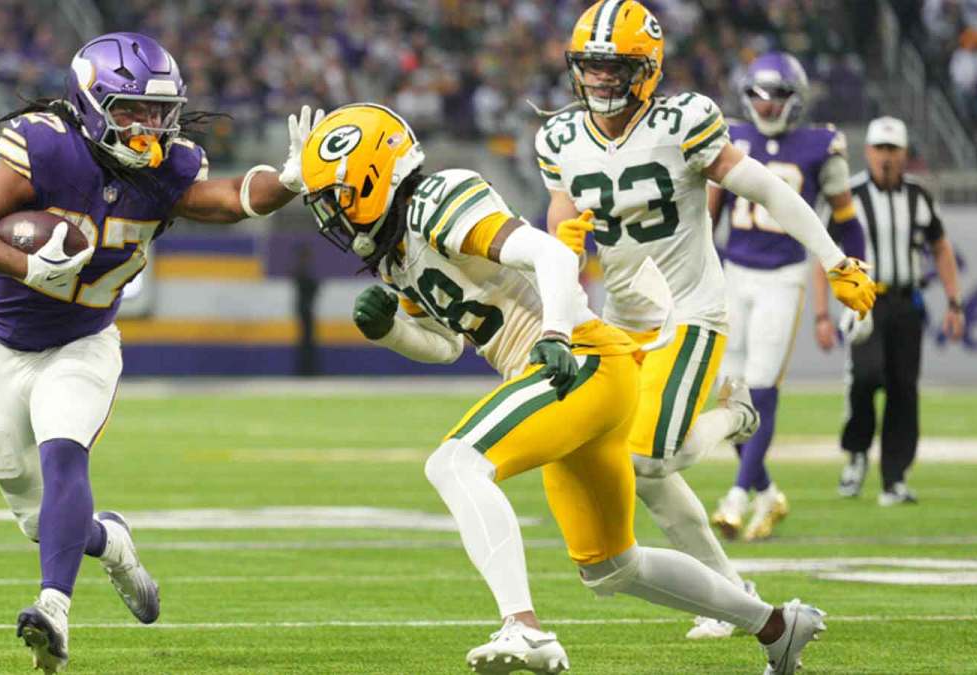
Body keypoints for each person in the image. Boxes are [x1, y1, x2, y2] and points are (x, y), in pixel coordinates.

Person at [302, 101, 829, 675]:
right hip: (574, 375)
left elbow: (551, 253)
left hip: (574, 357)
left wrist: (554, 331)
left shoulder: (439, 199)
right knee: (612, 566)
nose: (331, 217)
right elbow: (449, 346)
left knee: (454, 464)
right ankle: (777, 626)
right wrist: (393, 332)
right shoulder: (397, 250)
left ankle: (522, 628)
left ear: (374, 179)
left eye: (335, 198)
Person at [0, 32, 323, 674]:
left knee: (64, 454)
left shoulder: (167, 168)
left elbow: (225, 199)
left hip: (85, 341)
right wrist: (26, 265)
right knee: (32, 509)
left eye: (157, 111)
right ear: (91, 102)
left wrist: (287, 182)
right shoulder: (47, 149)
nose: (148, 126)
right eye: (131, 110)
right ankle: (112, 545)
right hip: (3, 342)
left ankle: (52, 610)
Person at [537, 0, 876, 642]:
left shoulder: (685, 121)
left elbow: (772, 191)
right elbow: (560, 216)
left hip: (689, 311)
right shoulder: (559, 136)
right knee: (647, 481)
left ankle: (735, 414)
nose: (600, 81)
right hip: (621, 319)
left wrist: (833, 258)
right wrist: (566, 246)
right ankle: (730, 595)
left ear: (647, 69)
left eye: (615, 68)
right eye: (591, 67)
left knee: (648, 462)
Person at [707, 51, 868, 544]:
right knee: (727, 392)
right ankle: (768, 491)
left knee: (760, 386)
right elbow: (708, 214)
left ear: (795, 99)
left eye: (776, 95)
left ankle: (736, 494)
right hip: (735, 271)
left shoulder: (821, 144)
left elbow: (846, 219)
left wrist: (857, 281)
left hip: (784, 275)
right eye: (758, 94)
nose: (766, 104)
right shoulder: (731, 135)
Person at [828, 116, 965, 504]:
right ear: (868, 151)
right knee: (865, 377)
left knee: (904, 389)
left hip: (906, 301)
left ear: (905, 154)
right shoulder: (849, 194)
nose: (886, 157)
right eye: (880, 149)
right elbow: (824, 249)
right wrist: (823, 312)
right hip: (865, 302)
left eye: (893, 150)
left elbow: (940, 245)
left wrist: (954, 301)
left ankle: (894, 477)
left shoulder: (918, 196)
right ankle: (856, 455)